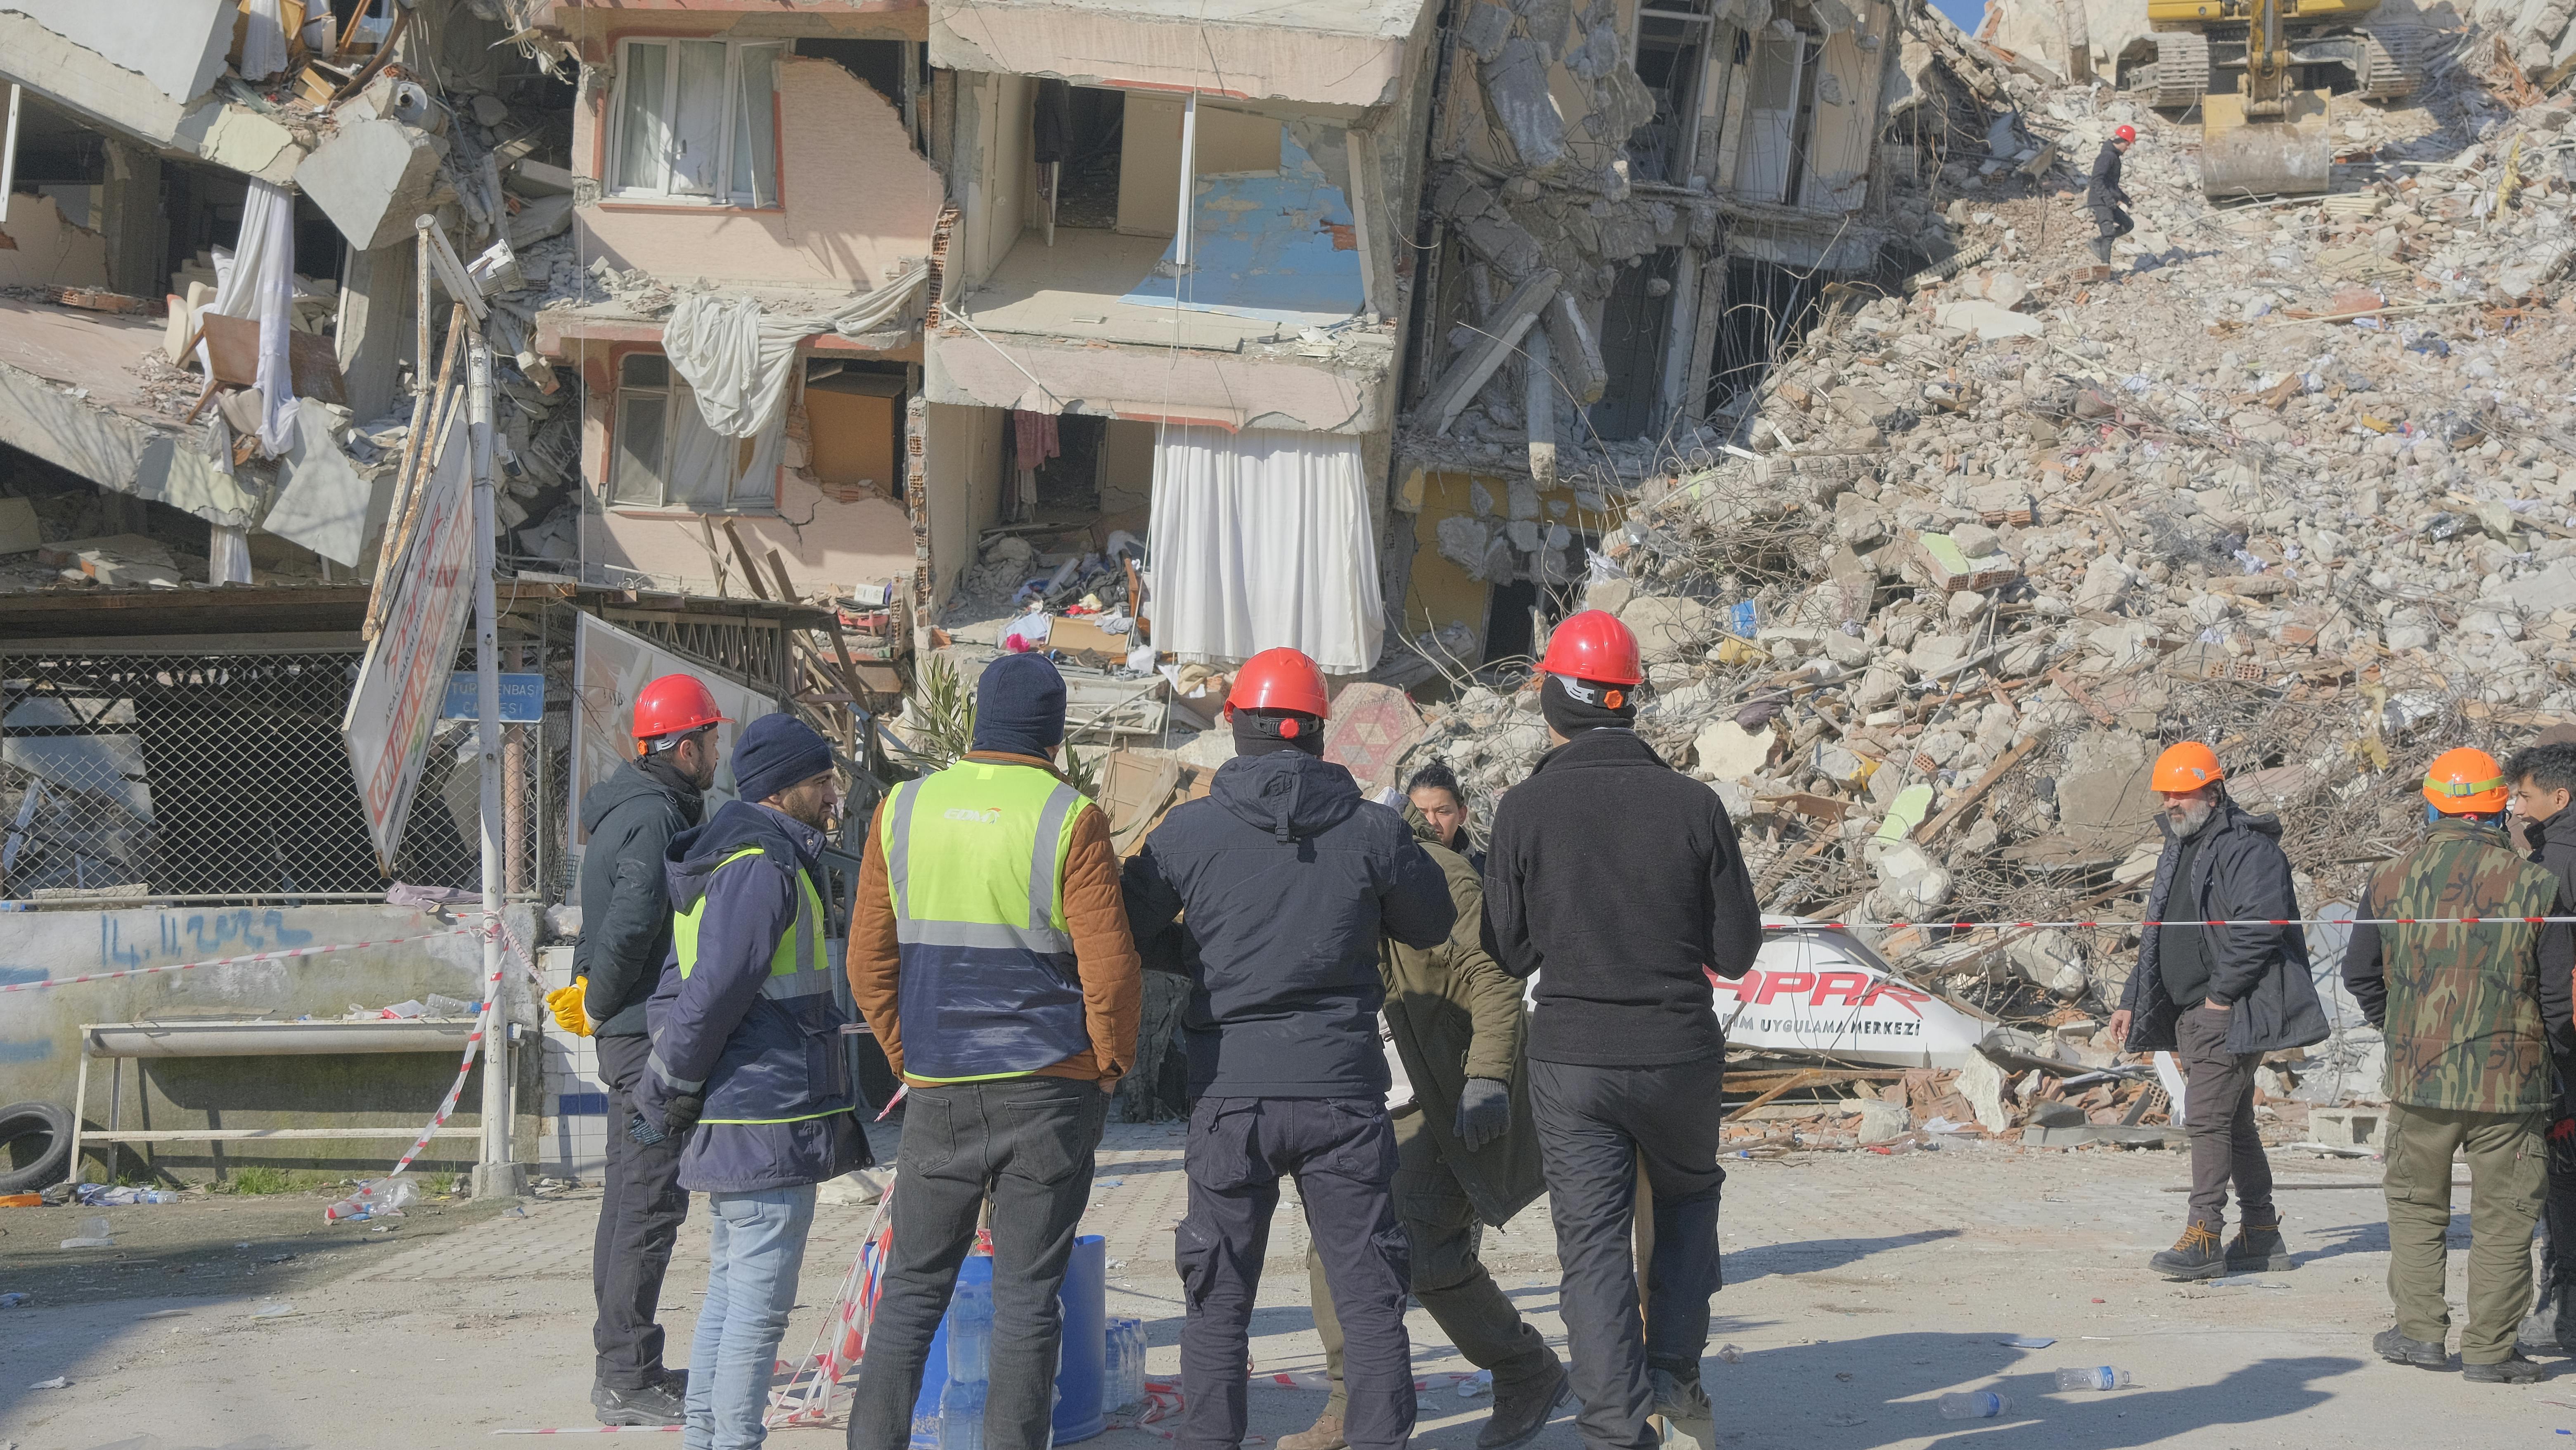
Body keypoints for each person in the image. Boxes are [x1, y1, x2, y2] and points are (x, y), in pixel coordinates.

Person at [1122, 649, 1456, 1450]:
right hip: (1342, 1093)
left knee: (1218, 1295)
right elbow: (1433, 923)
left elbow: (1123, 929)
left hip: (1230, 1094)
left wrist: (1205, 956)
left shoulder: (1188, 831)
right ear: (1318, 732)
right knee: (1368, 1291)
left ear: (1235, 723)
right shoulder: (1372, 829)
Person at [845, 654, 1143, 1450]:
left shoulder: (903, 808)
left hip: (940, 1087)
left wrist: (910, 1054)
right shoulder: (1069, 816)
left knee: (911, 1290)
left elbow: (867, 963)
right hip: (1049, 1088)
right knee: (1027, 1297)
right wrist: (1109, 1065)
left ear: (978, 721)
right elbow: (1111, 969)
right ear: (1053, 734)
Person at [1482, 610, 1763, 1450]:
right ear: (1629, 700)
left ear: (1555, 699)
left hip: (1574, 1061)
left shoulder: (1525, 808)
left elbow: (1508, 950)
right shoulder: (1694, 804)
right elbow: (1736, 951)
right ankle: (1673, 1370)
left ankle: (1614, 1428)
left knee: (1594, 1245)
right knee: (1687, 1199)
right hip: (1679, 1051)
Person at [1280, 793, 1564, 1450]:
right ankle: (1351, 1402)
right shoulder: (1321, 870)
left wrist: (1487, 1078)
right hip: (1370, 1097)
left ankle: (1526, 1370)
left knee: (1425, 1250)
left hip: (1446, 1093)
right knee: (1334, 1243)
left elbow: (1494, 976)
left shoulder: (1439, 875)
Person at [637, 714, 871, 1449]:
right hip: (767, 1111)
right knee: (758, 1310)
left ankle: (707, 1438)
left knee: (731, 1292)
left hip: (746, 1109)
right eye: (821, 780)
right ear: (779, 790)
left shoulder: (738, 856)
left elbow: (682, 989)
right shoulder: (763, 867)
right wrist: (667, 1086)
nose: (832, 795)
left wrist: (673, 1083)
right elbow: (713, 992)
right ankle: (732, 1440)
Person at [2345, 747, 2573, 1385]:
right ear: (2501, 808)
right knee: (2506, 1220)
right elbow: (2558, 999)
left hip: (2420, 1078)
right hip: (2512, 1086)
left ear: (2432, 805)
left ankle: (2419, 1335)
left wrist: (2402, 1032)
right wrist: (2550, 1063)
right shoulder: (2537, 884)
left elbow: (2359, 973)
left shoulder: (2388, 879)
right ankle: (2490, 1351)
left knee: (2417, 1209)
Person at [553, 673, 727, 1427]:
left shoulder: (628, 809)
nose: (716, 753)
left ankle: (631, 1363)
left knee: (629, 1199)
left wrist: (591, 993)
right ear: (685, 748)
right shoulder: (655, 818)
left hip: (626, 1034)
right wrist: (598, 1000)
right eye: (711, 740)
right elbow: (630, 922)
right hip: (643, 1039)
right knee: (649, 1204)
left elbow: (605, 925)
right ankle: (625, 1376)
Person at [2107, 741, 2327, 1281]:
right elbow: (2160, 934)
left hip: (2231, 1010)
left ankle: (2204, 1235)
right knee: (2233, 1120)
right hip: (2196, 1010)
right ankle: (2261, 1234)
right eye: (2166, 795)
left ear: (2213, 791)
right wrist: (2133, 996)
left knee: (2206, 1118)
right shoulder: (2181, 847)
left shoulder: (2250, 850)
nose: (2171, 803)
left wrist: (2219, 997)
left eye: (2181, 793)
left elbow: (2259, 928)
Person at [2506, 738, 2576, 1353]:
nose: (2517, 807)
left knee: (2563, 1174)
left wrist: (2553, 1048)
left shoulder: (2553, 866)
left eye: (2525, 796)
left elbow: (2551, 973)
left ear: (2561, 797)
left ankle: (2564, 1307)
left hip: (2569, 1041)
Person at [1405, 761, 1482, 875]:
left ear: (1462, 815)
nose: (1432, 822)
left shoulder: (1484, 870)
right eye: (1421, 813)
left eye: (1443, 812)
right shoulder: (1395, 871)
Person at [2088, 123, 2138, 264]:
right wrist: (2108, 199)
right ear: (2121, 141)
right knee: (2109, 234)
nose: (2128, 148)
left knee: (2127, 224)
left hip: (2108, 200)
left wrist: (2124, 198)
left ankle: (2098, 242)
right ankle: (2105, 267)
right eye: (2127, 144)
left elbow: (2111, 184)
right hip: (2100, 201)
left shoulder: (2114, 157)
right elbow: (2097, 180)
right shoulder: (2107, 157)